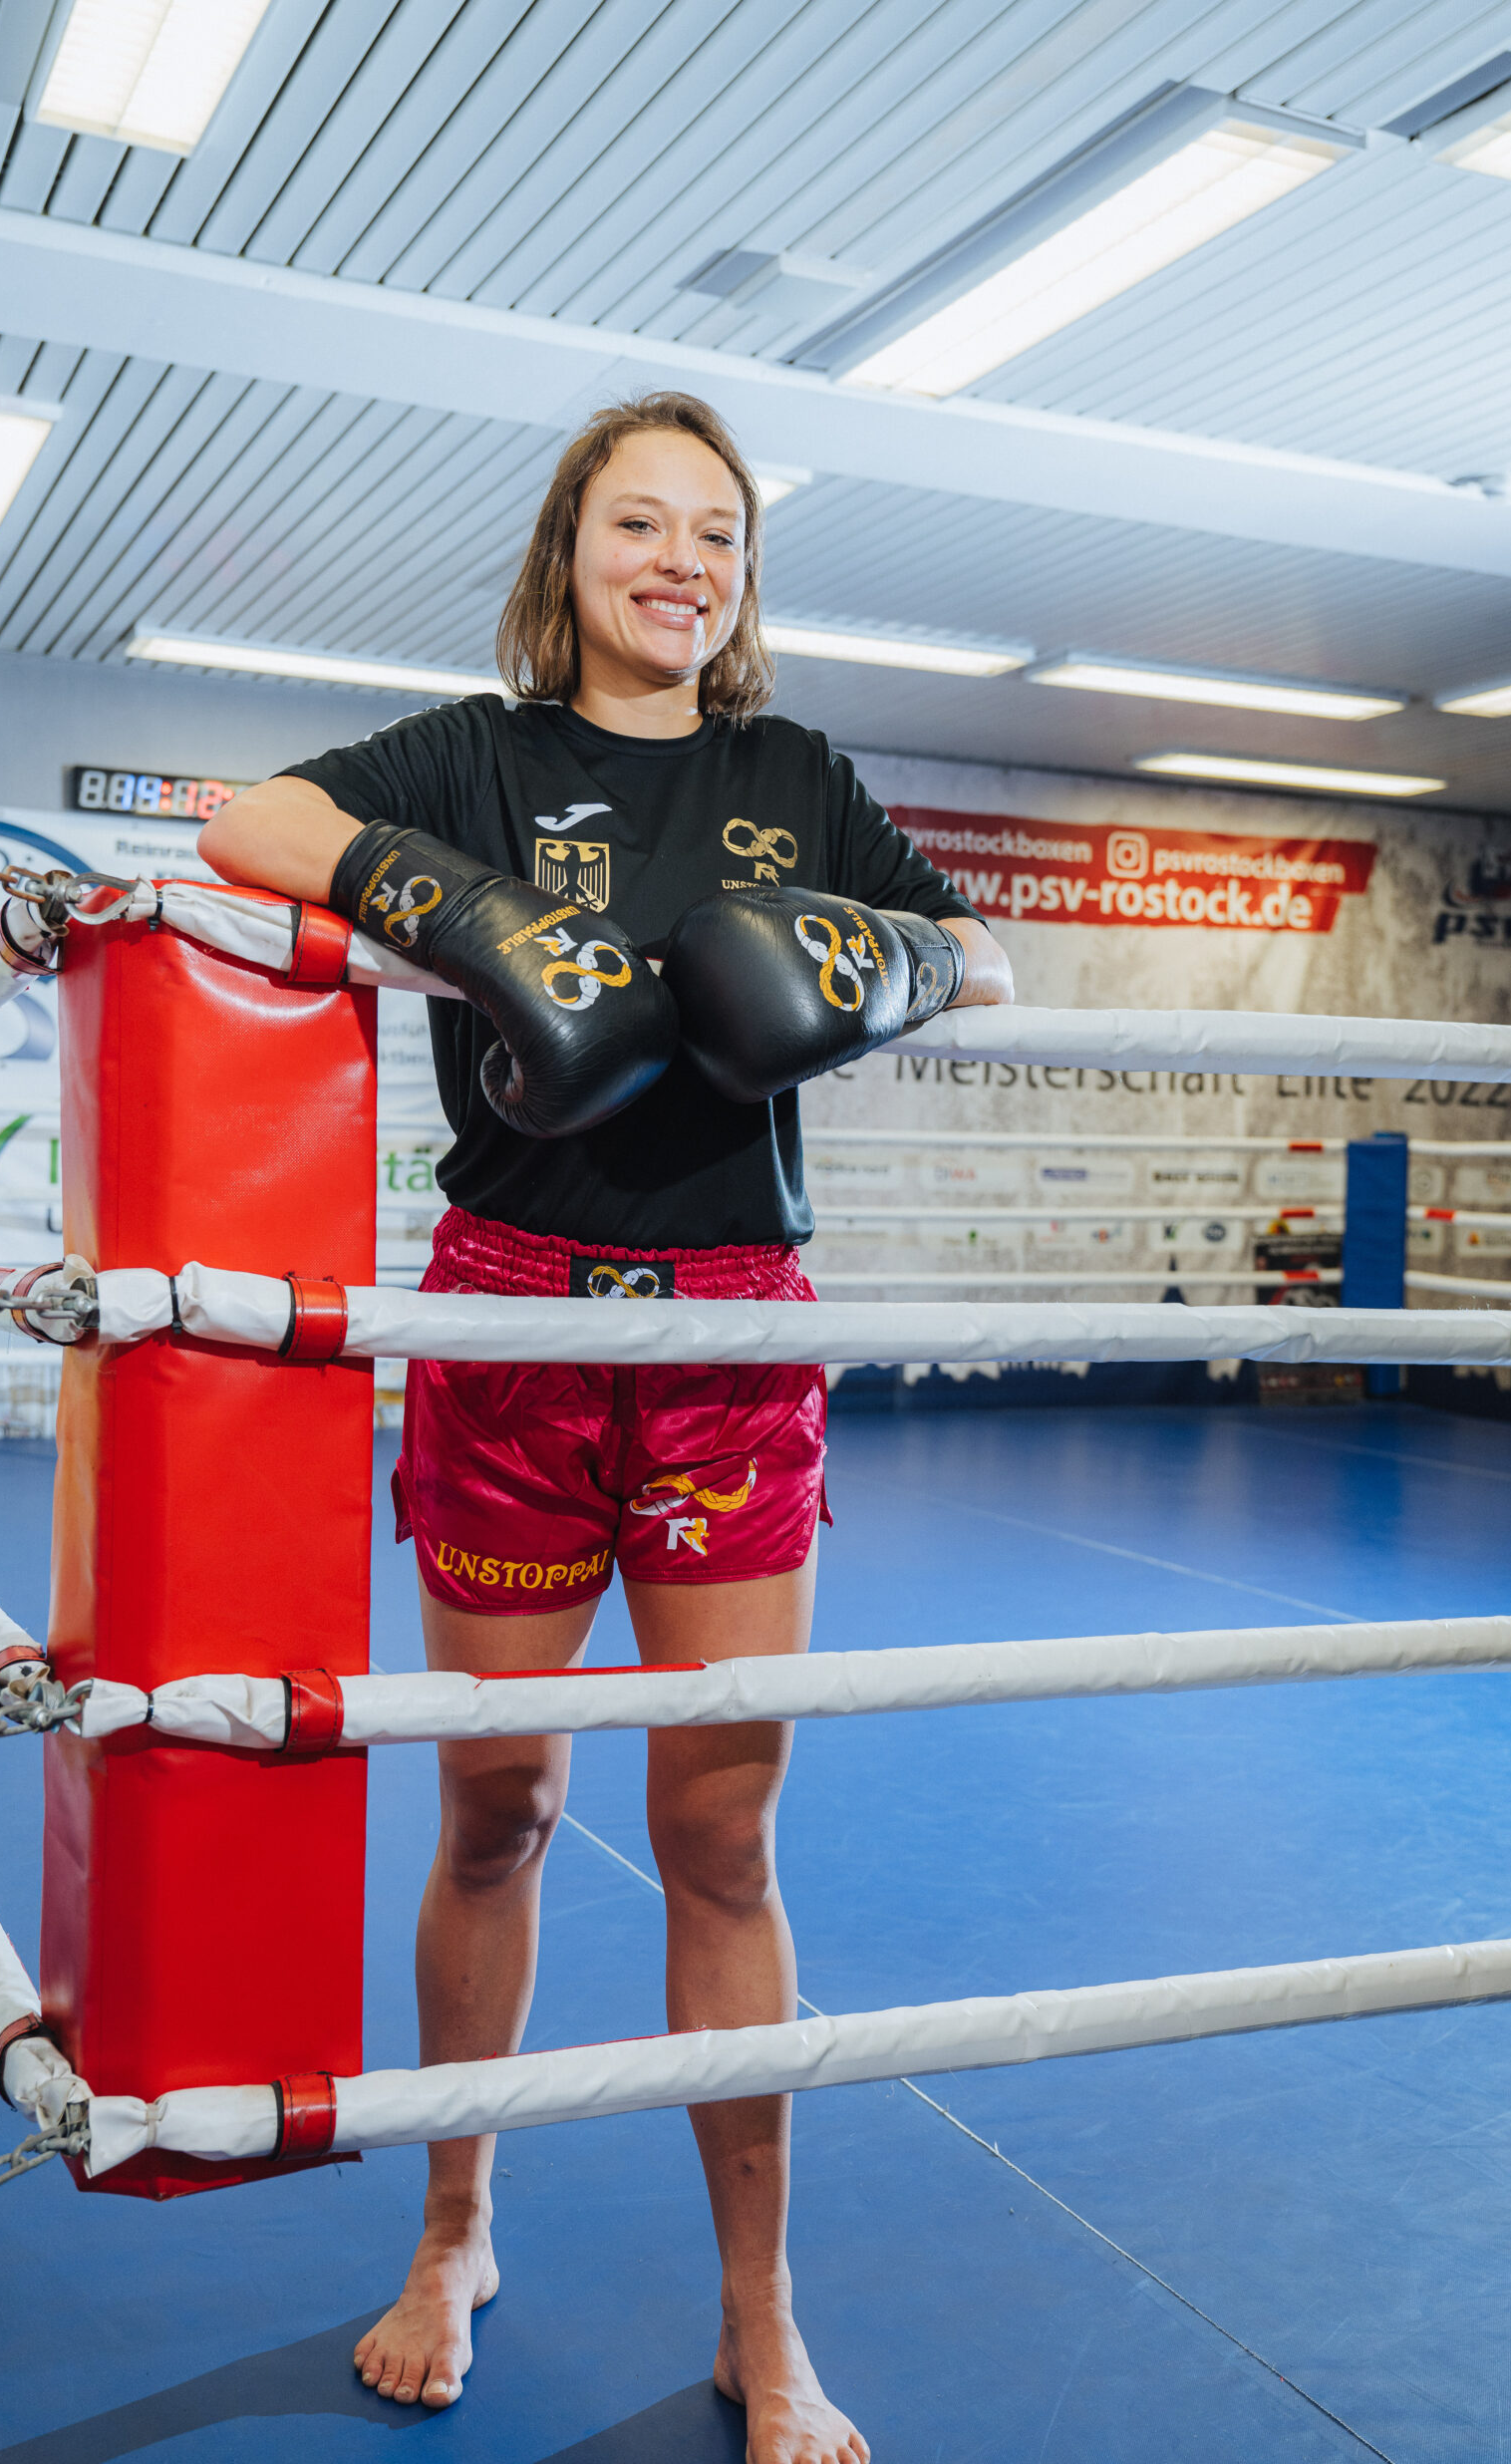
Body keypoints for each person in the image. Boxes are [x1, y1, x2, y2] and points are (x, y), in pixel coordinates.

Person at [199, 390, 1012, 2464]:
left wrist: (871, 952)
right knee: (495, 1806)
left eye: (715, 534)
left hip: (732, 1321)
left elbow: (983, 959)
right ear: (569, 548)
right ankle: (454, 2227)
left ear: (743, 574)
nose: (678, 560)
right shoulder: (472, 751)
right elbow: (244, 822)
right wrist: (454, 907)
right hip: (508, 1309)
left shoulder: (789, 771)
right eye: (638, 523)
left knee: (719, 1826)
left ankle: (763, 2313)